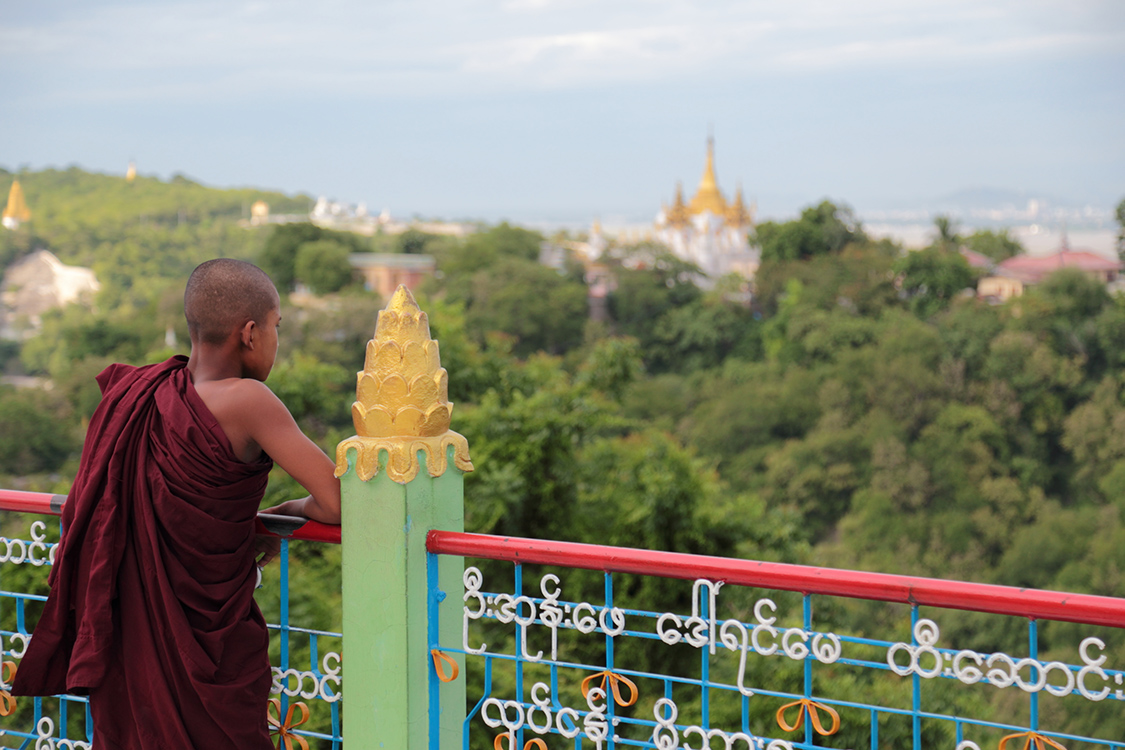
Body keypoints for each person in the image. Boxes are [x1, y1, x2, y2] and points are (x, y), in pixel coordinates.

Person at [12, 259, 341, 749]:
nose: (275, 340)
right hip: (209, 648)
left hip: (129, 634)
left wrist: (259, 521)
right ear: (249, 333)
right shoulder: (250, 400)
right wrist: (289, 513)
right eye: (276, 328)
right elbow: (336, 503)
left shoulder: (137, 393)